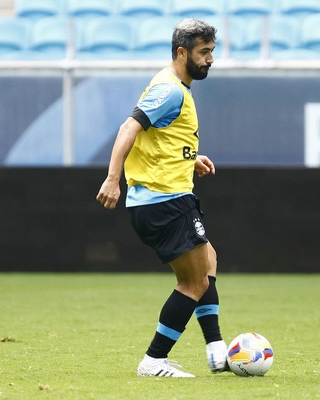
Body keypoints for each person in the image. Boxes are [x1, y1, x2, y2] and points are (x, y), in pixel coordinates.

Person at [96, 19, 225, 378]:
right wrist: (112, 178)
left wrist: (189, 156)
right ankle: (154, 360)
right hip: (163, 200)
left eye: (212, 51)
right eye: (204, 52)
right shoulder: (169, 89)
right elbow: (129, 128)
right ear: (182, 52)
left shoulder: (176, 88)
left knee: (208, 262)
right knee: (194, 282)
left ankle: (216, 351)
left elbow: (155, 138)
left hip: (167, 197)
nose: (210, 59)